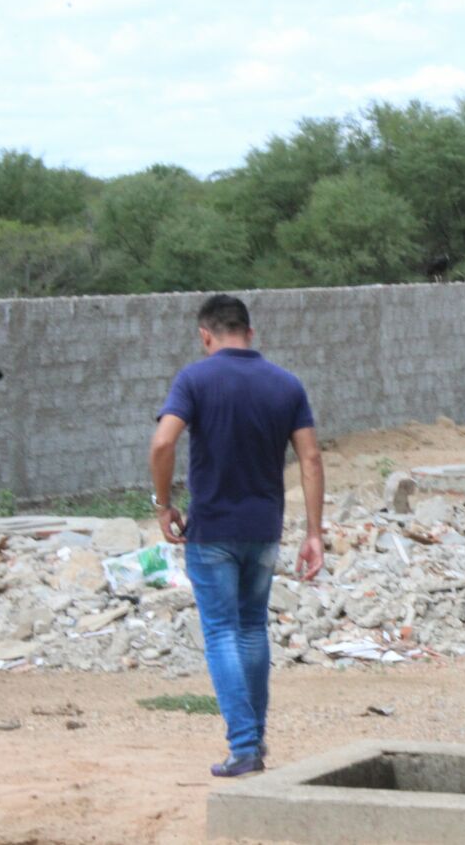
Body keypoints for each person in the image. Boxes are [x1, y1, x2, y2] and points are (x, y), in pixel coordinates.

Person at [149, 294, 325, 777]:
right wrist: (314, 533)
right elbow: (310, 458)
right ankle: (255, 739)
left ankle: (244, 746)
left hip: (211, 532)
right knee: (251, 629)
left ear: (206, 335)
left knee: (223, 632)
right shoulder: (286, 384)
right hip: (263, 530)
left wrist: (163, 505)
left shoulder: (194, 379)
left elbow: (164, 441)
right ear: (250, 332)